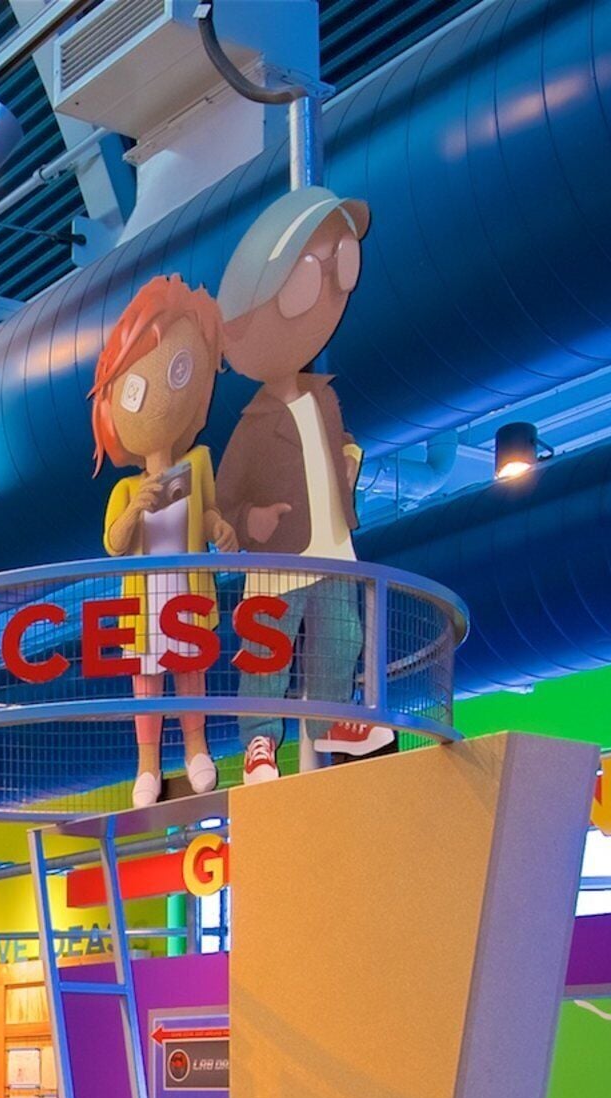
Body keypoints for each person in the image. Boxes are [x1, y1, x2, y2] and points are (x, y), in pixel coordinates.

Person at [215, 189, 392, 770]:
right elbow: (225, 497)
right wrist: (249, 521)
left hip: (333, 548)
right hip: (277, 561)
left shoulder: (326, 399)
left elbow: (334, 449)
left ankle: (333, 718)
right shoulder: (253, 425)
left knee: (340, 638)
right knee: (267, 649)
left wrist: (346, 462)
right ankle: (260, 740)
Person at [91, 276, 227, 807]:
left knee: (191, 675)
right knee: (146, 685)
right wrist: (135, 509)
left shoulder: (198, 465)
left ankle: (197, 750)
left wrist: (220, 527)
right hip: (143, 606)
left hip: (188, 595)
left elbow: (211, 514)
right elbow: (113, 543)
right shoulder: (126, 487)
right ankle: (146, 764)